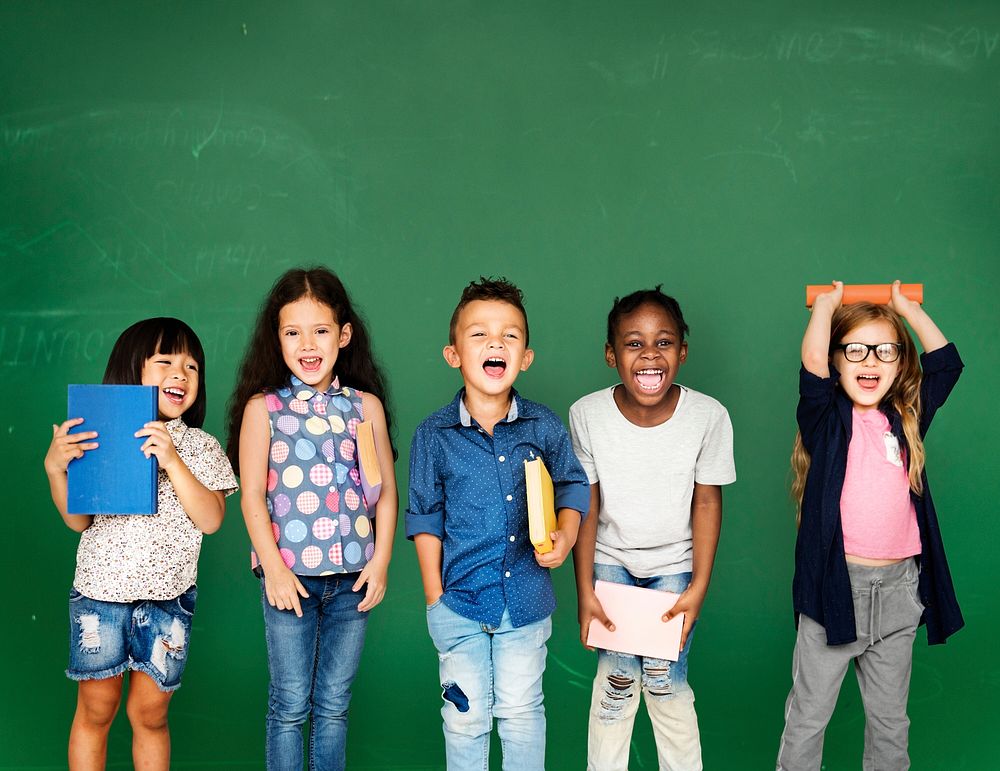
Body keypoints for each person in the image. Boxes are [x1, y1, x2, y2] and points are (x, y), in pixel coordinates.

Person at [776, 280, 965, 770]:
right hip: (835, 591)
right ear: (837, 361)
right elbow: (811, 366)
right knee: (808, 716)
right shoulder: (825, 419)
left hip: (899, 592)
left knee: (890, 723)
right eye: (855, 350)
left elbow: (946, 363)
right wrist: (824, 308)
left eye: (885, 351)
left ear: (901, 362)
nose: (870, 362)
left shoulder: (906, 418)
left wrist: (905, 309)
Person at [406, 276, 590, 770]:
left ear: (525, 357)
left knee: (522, 712)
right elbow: (424, 517)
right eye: (479, 334)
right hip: (459, 604)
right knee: (464, 718)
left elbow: (573, 486)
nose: (495, 343)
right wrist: (432, 596)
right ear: (454, 354)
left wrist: (567, 536)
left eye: (509, 335)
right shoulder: (433, 435)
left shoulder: (544, 426)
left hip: (526, 603)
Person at [44, 317, 237, 771]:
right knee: (96, 710)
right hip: (99, 597)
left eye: (192, 367)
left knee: (150, 715)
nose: (181, 375)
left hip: (167, 601)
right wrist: (57, 470)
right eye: (165, 362)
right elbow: (78, 521)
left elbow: (211, 520)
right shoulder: (101, 438)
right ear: (131, 371)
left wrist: (172, 460)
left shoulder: (202, 447)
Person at [226, 267, 397, 771]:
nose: (308, 344)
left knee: (333, 708)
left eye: (320, 330)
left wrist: (381, 561)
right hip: (290, 582)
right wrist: (275, 570)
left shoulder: (365, 407)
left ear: (343, 335)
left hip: (354, 581)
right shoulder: (265, 409)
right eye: (292, 332)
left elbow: (384, 493)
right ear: (276, 339)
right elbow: (252, 496)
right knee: (289, 706)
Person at [570, 287, 736, 771]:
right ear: (610, 355)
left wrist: (699, 585)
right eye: (633, 343)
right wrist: (584, 588)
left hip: (675, 567)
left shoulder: (708, 417)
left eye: (663, 342)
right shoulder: (587, 414)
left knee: (666, 680)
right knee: (616, 682)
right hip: (611, 562)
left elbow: (707, 500)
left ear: (682, 352)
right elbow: (588, 502)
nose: (649, 355)